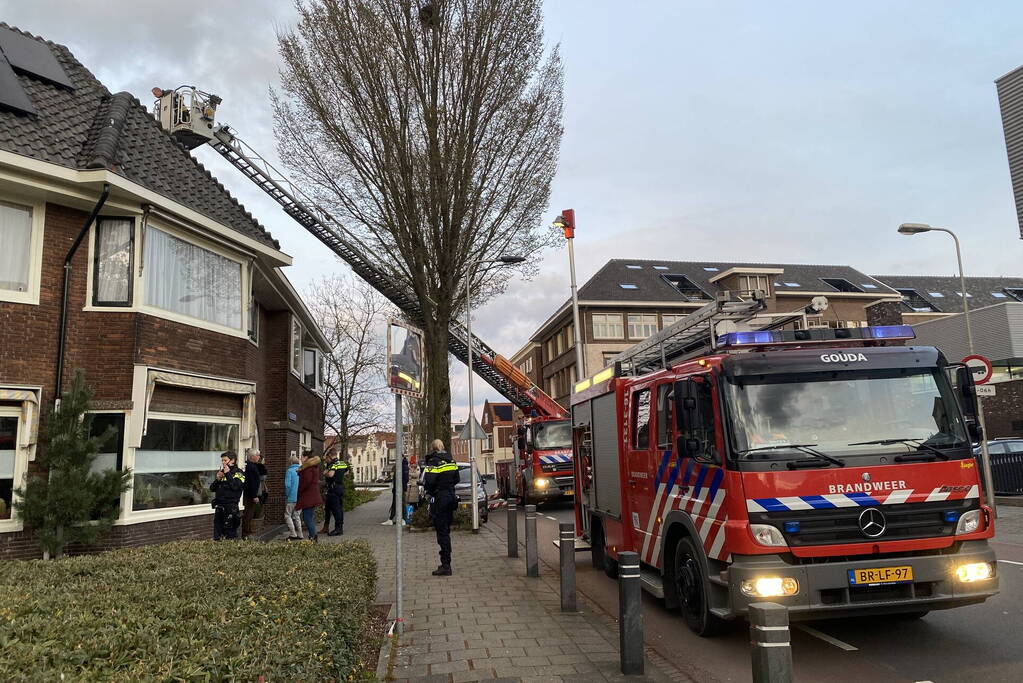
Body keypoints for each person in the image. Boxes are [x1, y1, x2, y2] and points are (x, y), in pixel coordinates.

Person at [423, 439, 459, 576]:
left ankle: (446, 565)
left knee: (442, 532)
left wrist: (431, 491)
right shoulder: (451, 461)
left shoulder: (433, 461)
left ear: (433, 448)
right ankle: (446, 562)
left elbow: (429, 481)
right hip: (451, 497)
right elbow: (457, 479)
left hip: (440, 499)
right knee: (446, 530)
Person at [210, 451, 245, 540]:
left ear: (232, 460)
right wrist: (217, 479)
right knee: (217, 534)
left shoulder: (239, 473)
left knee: (230, 534)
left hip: (230, 508)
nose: (223, 463)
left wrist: (228, 474)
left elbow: (236, 487)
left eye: (225, 460)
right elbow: (212, 489)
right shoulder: (222, 473)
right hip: (219, 507)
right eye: (222, 460)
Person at [296, 450, 323, 542]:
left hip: (308, 497)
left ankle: (313, 537)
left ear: (306, 458)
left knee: (307, 518)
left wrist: (300, 490)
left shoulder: (307, 468)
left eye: (302, 456)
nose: (300, 458)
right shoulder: (313, 467)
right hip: (312, 496)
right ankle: (313, 536)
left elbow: (306, 482)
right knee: (309, 517)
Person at [241, 448, 267, 539]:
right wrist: (254, 495)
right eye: (258, 455)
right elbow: (251, 482)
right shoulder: (251, 467)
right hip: (250, 495)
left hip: (250, 494)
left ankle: (247, 532)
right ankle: (245, 534)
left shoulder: (253, 466)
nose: (259, 457)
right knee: (248, 514)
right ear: (252, 457)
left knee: (249, 514)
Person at [323, 449, 349, 536]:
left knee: (335, 509)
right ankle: (338, 527)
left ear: (330, 455)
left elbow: (330, 474)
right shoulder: (342, 463)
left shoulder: (333, 464)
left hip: (333, 488)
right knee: (338, 508)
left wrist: (325, 473)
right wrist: (339, 476)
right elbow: (347, 472)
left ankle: (338, 529)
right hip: (340, 487)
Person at [383, 454, 410, 525]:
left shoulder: (404, 466)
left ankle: (403, 519)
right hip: (396, 488)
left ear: (402, 457)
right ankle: (391, 519)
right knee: (395, 503)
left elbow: (406, 479)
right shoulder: (398, 466)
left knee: (402, 503)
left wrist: (402, 487)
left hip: (400, 488)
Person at [284, 454, 303, 540]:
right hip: (300, 497)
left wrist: (287, 495)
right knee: (297, 516)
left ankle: (293, 533)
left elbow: (287, 485)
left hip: (291, 497)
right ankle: (300, 534)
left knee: (287, 515)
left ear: (291, 462)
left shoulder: (290, 471)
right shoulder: (301, 470)